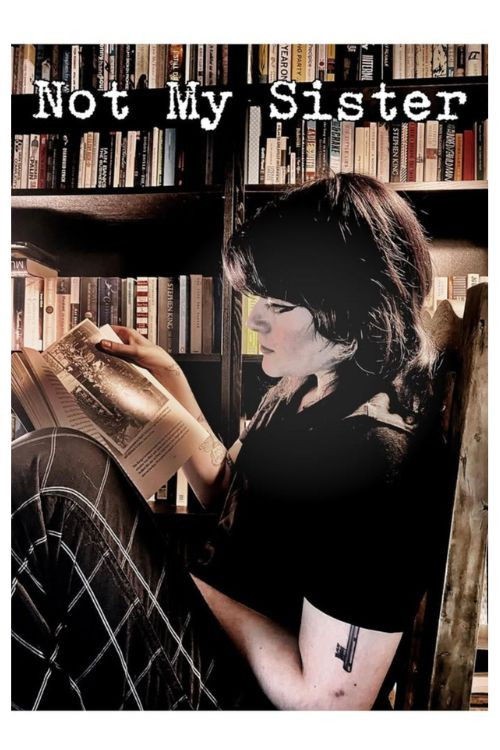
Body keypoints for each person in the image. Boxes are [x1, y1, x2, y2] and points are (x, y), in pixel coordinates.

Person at [11, 173, 444, 711]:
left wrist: (169, 581)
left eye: (280, 305)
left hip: (238, 698)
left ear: (355, 308)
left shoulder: (375, 458)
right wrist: (169, 383)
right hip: (205, 645)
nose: (254, 317)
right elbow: (229, 494)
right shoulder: (302, 389)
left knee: (56, 475)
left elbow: (329, 704)